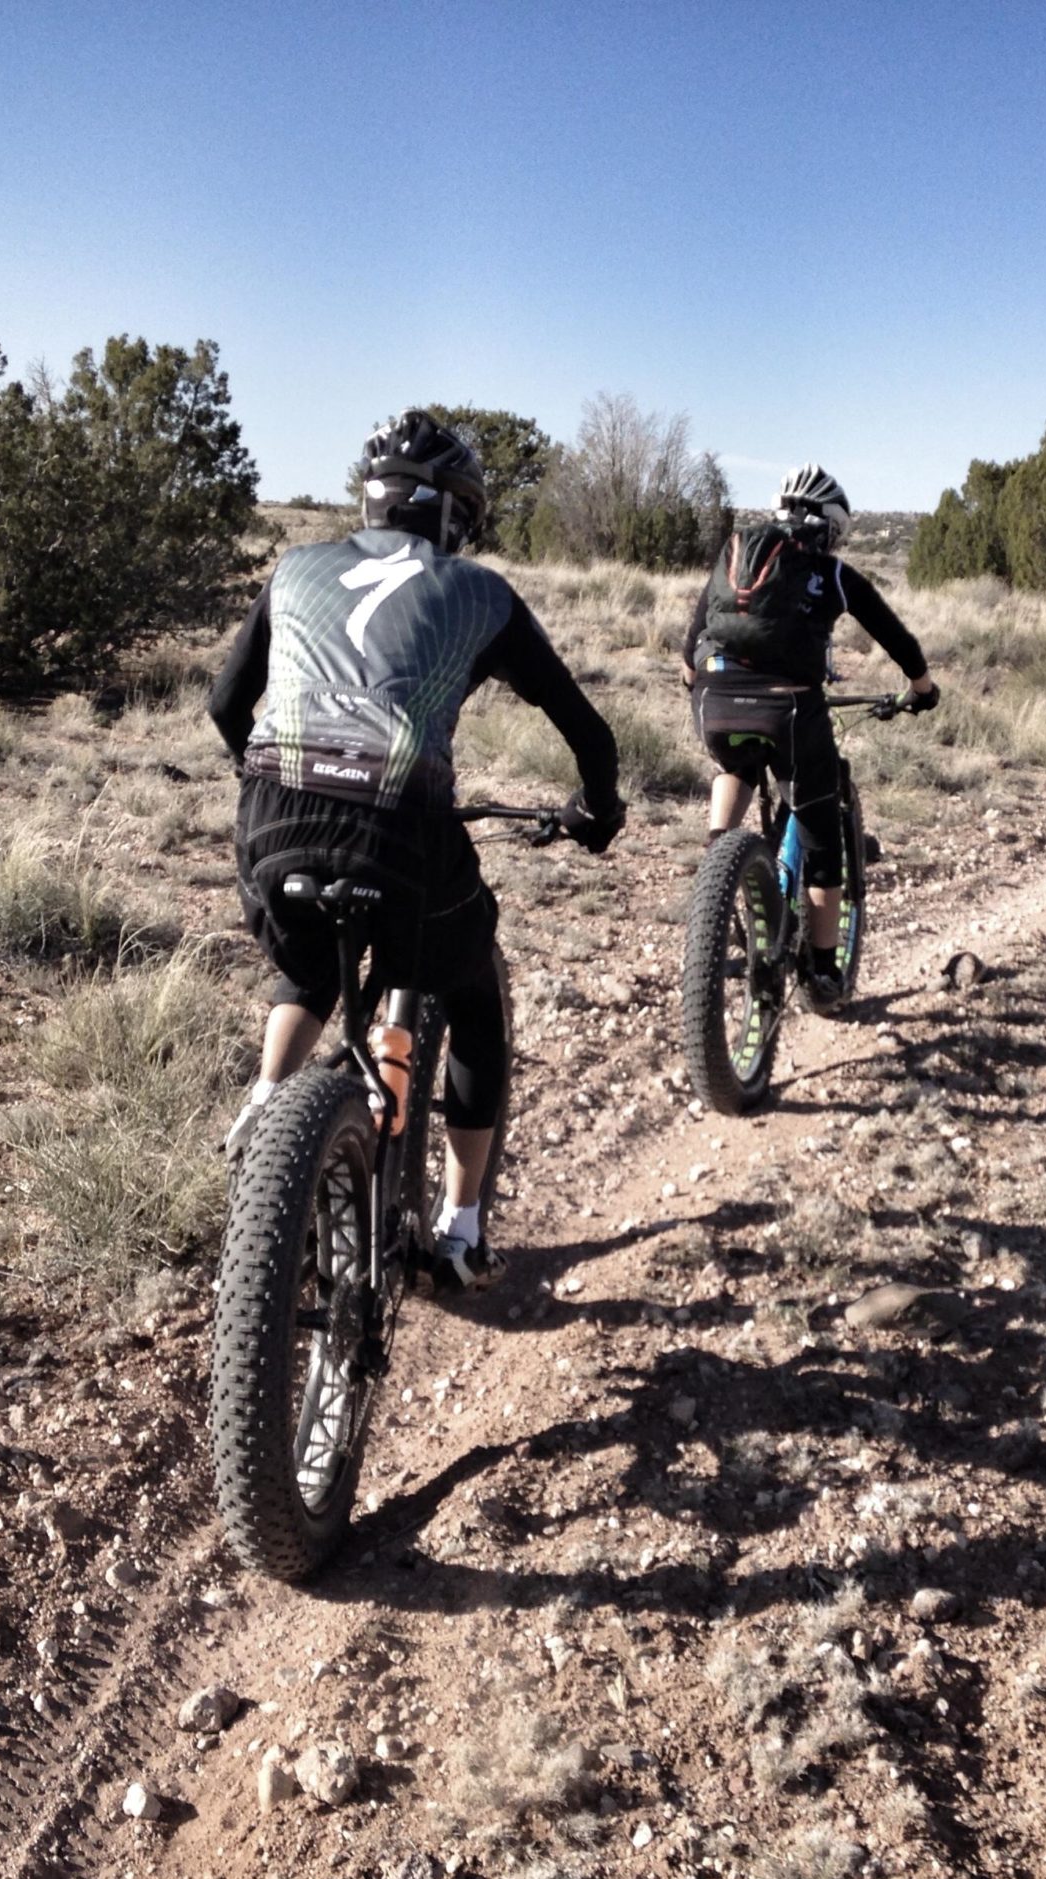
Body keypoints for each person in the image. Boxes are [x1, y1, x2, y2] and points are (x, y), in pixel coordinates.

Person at [209, 410, 625, 1285]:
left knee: (315, 952)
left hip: (270, 820)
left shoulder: (294, 567)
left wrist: (279, 781)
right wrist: (597, 808)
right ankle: (464, 1226)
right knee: (472, 991)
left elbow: (223, 706)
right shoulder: (478, 591)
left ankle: (268, 1103)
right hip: (401, 828)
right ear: (453, 515)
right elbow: (586, 730)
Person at [680, 464, 937, 1005]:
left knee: (734, 765)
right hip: (792, 712)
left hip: (715, 700)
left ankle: (717, 880)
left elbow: (689, 648)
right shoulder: (833, 573)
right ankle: (822, 973)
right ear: (831, 527)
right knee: (822, 836)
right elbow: (894, 634)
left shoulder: (736, 557)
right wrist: (921, 687)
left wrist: (702, 683)